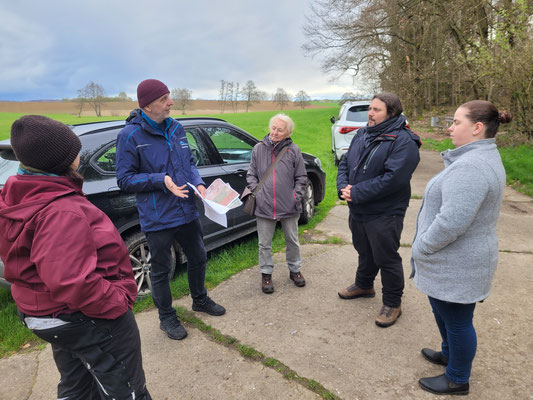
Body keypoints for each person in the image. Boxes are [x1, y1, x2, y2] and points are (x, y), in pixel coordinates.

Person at [0, 115, 150, 399]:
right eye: (75, 150)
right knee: (126, 388)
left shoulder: (16, 194)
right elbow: (72, 281)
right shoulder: (61, 211)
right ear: (62, 160)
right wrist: (117, 300)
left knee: (77, 385)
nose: (79, 155)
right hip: (86, 316)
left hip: (47, 311)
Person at [411, 101, 512, 395]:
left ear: (477, 128)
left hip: (459, 263)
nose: (449, 127)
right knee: (443, 310)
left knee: (457, 321)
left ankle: (457, 378)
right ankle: (449, 355)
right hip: (454, 262)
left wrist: (422, 247)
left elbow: (451, 222)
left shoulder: (472, 167)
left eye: (456, 122)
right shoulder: (476, 159)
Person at [116, 79, 225, 341]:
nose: (171, 103)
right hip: (158, 215)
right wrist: (159, 180)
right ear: (148, 105)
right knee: (162, 269)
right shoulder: (129, 136)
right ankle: (166, 316)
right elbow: (124, 179)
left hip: (186, 208)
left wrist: (198, 182)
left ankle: (200, 300)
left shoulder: (176, 128)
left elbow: (188, 162)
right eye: (165, 99)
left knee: (198, 257)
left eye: (169, 97)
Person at [337, 92, 421, 327]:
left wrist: (357, 192)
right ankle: (364, 285)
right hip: (359, 209)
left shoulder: (404, 141)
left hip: (385, 211)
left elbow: (394, 179)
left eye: (376, 110)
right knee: (364, 250)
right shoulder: (363, 133)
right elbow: (345, 162)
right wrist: (343, 187)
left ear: (391, 113)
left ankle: (393, 303)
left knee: (386, 257)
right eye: (370, 109)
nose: (370, 114)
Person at [246, 114, 308, 293]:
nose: (274, 132)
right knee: (264, 243)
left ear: (288, 133)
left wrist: (295, 197)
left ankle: (295, 270)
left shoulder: (293, 150)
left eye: (280, 130)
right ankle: (266, 274)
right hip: (264, 205)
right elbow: (251, 174)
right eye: (273, 128)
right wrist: (257, 192)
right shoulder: (258, 148)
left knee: (292, 240)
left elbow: (301, 177)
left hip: (289, 206)